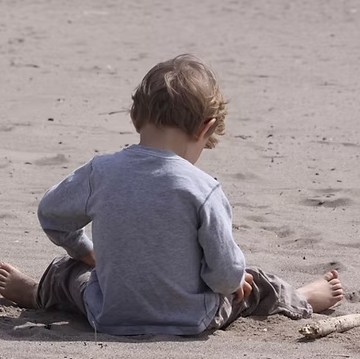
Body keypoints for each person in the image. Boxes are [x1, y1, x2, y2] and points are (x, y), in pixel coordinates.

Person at [0, 54, 343, 336]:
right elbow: (223, 275)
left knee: (66, 272)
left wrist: (87, 252)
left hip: (108, 314)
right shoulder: (203, 188)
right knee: (254, 281)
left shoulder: (101, 171)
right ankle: (299, 298)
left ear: (135, 117)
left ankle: (33, 293)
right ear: (205, 128)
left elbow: (51, 214)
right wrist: (233, 280)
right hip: (193, 319)